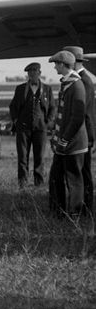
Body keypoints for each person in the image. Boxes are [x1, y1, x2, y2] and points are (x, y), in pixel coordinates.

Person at [47, 50, 88, 217]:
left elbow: (77, 118)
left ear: (63, 65)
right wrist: (56, 139)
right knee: (56, 177)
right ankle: (58, 210)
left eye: (56, 64)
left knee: (74, 180)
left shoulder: (76, 85)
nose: (55, 68)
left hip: (73, 143)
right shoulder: (68, 83)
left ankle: (75, 213)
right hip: (64, 142)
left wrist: (64, 140)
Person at [8, 62, 55, 189]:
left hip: (41, 128)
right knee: (22, 157)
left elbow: (52, 108)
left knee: (39, 157)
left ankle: (38, 184)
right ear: (28, 75)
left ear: (39, 73)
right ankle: (22, 184)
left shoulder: (47, 89)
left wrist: (48, 122)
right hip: (23, 128)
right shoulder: (20, 88)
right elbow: (12, 106)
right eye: (30, 73)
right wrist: (16, 120)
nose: (32, 75)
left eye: (35, 72)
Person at [63, 45, 95, 213]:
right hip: (83, 133)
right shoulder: (83, 79)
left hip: (83, 135)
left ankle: (86, 207)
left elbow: (85, 113)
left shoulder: (83, 81)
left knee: (83, 174)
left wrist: (90, 137)